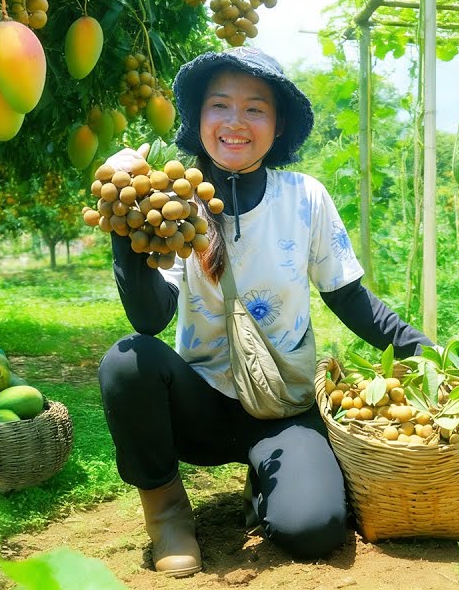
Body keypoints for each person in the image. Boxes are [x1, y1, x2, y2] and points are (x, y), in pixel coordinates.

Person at [99, 46, 432, 577]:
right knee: (126, 360)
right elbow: (149, 319)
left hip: (283, 408)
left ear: (277, 127)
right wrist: (125, 221)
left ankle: (268, 488)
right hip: (202, 405)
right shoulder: (172, 201)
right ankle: (165, 512)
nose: (236, 122)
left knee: (314, 530)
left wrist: (425, 351)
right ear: (199, 119)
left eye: (256, 108)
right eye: (219, 106)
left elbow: (347, 296)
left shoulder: (305, 198)